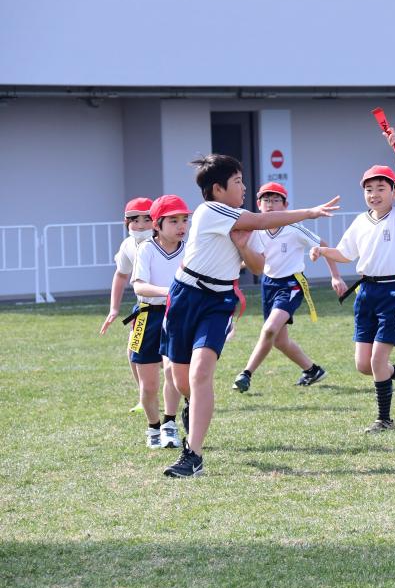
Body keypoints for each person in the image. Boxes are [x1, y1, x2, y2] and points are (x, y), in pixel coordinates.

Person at [160, 154, 339, 478]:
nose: (244, 188)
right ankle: (193, 406)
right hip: (186, 295)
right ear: (217, 188)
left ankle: (194, 454)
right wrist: (310, 212)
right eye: (238, 182)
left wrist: (243, 248)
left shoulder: (243, 221)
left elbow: (258, 267)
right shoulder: (210, 211)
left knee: (201, 373)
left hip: (219, 301)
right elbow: (259, 221)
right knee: (180, 377)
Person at [310, 128, 395, 434]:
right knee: (363, 364)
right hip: (366, 292)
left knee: (377, 360)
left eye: (381, 188)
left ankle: (384, 419)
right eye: (369, 189)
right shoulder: (360, 222)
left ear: (394, 192)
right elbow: (345, 254)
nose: (374, 194)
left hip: (394, 291)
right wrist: (323, 250)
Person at [231, 182, 348, 394]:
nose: (270, 204)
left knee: (268, 330)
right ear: (258, 204)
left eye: (276, 200)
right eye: (266, 200)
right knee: (279, 340)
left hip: (292, 284)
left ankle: (246, 374)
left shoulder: (293, 228)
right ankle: (312, 370)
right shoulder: (256, 231)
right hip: (268, 284)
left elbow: (322, 244)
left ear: (286, 205)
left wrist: (336, 277)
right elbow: (255, 259)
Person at [128, 195, 189, 449]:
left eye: (184, 219)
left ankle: (169, 424)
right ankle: (153, 427)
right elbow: (139, 286)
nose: (181, 226)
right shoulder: (146, 249)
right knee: (149, 384)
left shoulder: (191, 249)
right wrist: (168, 291)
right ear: (157, 224)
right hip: (147, 315)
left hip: (176, 315)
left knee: (172, 372)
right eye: (173, 220)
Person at [99, 196, 154, 412]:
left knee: (172, 358)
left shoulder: (164, 242)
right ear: (126, 222)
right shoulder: (128, 245)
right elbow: (121, 275)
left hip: (171, 307)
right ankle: (145, 397)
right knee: (133, 351)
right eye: (135, 220)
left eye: (146, 219)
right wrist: (114, 308)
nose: (140, 225)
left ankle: (185, 396)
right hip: (143, 309)